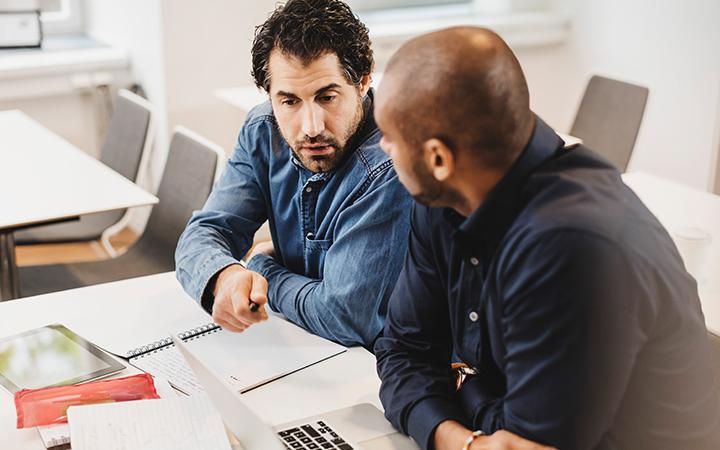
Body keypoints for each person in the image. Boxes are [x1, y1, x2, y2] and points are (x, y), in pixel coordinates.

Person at [373, 26, 720, 450]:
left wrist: (463, 383)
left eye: (389, 137)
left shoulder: (571, 244)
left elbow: (531, 443)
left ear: (439, 158)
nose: (383, 148)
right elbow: (402, 351)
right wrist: (459, 439)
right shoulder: (440, 201)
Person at [175, 0, 412, 347]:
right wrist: (225, 277)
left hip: (376, 365)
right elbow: (205, 232)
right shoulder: (263, 130)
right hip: (298, 342)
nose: (311, 127)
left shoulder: (391, 163)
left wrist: (261, 268)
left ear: (362, 82)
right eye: (289, 101)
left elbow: (344, 315)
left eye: (327, 97)